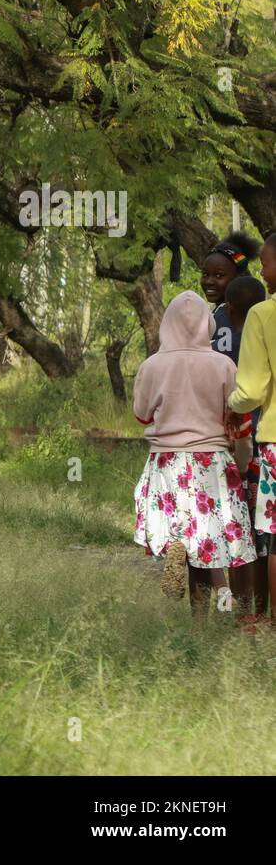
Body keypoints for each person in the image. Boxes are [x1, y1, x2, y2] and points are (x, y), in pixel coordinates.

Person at [135, 291, 255, 612]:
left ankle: (198, 613)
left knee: (188, 536)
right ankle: (221, 593)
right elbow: (236, 420)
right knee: (209, 536)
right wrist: (242, 464)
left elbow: (142, 414)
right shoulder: (224, 365)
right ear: (209, 325)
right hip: (212, 461)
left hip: (168, 462)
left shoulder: (152, 366)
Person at [228, 234, 276, 621]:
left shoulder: (263, 314)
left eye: (267, 262)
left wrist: (231, 406)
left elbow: (253, 390)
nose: (262, 269)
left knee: (274, 540)